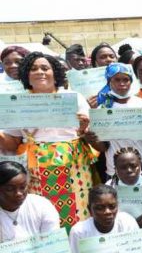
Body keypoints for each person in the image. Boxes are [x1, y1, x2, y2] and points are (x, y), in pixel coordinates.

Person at [0, 52, 97, 231]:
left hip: (74, 167)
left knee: (79, 213)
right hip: (37, 170)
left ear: (55, 73)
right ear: (26, 75)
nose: (40, 72)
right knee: (43, 215)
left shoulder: (74, 98)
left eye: (45, 68)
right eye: (34, 68)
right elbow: (11, 145)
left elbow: (93, 136)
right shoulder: (18, 103)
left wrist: (84, 129)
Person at [88, 63, 142, 182]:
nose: (122, 83)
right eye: (117, 80)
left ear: (131, 81)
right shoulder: (102, 109)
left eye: (126, 79)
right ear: (109, 81)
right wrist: (92, 139)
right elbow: (103, 147)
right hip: (116, 169)